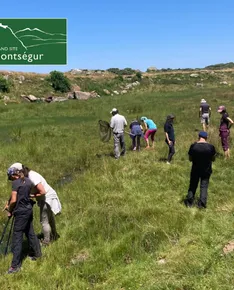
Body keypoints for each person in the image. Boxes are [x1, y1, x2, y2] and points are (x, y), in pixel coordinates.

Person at [8, 163, 61, 246]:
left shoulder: (32, 176)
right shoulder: (25, 177)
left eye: (13, 177)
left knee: (44, 221)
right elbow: (18, 190)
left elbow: (42, 192)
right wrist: (9, 201)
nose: (13, 180)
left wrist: (32, 196)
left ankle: (47, 241)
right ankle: (54, 235)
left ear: (18, 172)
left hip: (47, 198)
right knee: (50, 219)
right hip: (46, 197)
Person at [5, 167, 41, 274]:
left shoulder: (16, 183)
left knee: (17, 237)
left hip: (20, 213)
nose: (11, 180)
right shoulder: (28, 181)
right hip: (28, 210)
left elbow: (14, 200)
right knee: (30, 232)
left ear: (13, 175)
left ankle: (15, 266)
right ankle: (37, 254)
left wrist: (10, 210)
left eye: (10, 177)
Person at [184, 131, 216, 208]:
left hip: (195, 169)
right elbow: (213, 159)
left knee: (193, 185)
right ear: (206, 137)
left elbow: (190, 159)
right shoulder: (211, 147)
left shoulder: (193, 146)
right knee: (204, 186)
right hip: (206, 170)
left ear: (199, 137)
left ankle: (189, 202)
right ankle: (202, 203)